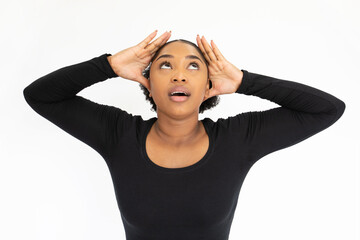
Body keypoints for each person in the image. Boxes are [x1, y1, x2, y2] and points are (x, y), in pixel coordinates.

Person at [23, 30, 346, 240]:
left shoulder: (238, 139)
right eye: (165, 66)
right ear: (147, 83)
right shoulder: (118, 134)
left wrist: (244, 81)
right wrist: (107, 65)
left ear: (209, 85)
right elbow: (41, 95)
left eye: (194, 67)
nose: (179, 74)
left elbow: (326, 109)